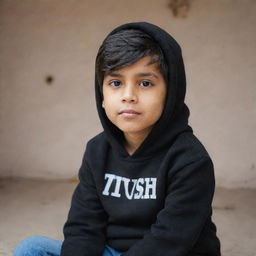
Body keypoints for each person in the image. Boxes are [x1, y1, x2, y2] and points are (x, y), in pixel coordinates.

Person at [13, 21, 221, 256]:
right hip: (113, 251)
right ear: (101, 95)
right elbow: (84, 227)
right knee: (32, 249)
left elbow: (170, 240)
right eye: (115, 83)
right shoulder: (97, 151)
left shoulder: (190, 160)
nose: (128, 96)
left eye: (145, 83)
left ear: (171, 92)